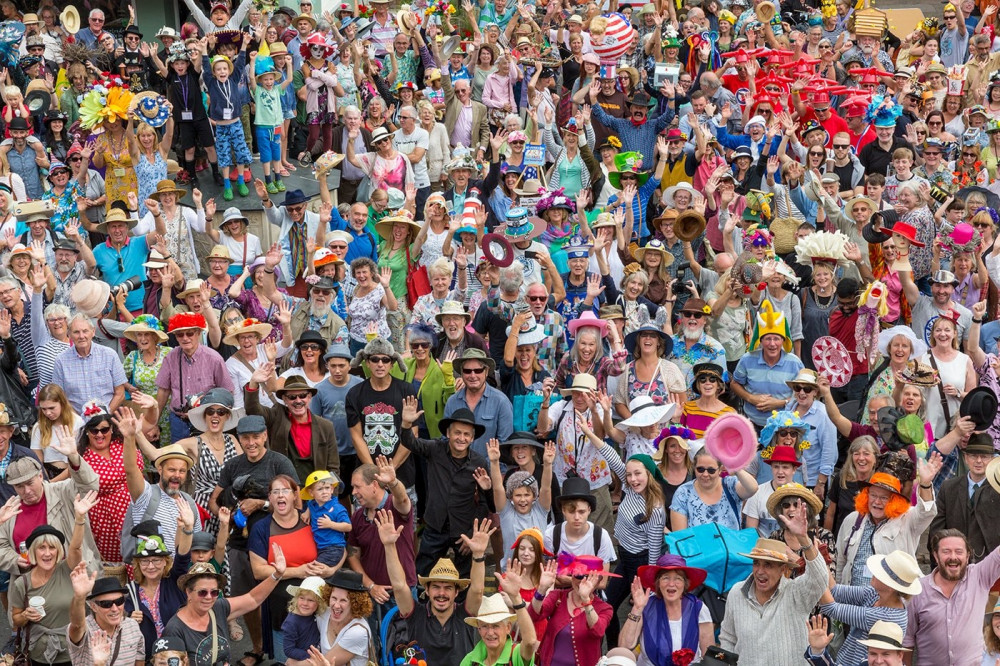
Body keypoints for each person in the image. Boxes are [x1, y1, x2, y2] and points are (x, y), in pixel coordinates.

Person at [208, 415, 299, 666]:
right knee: (248, 597)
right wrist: (225, 515)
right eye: (245, 438)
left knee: (283, 597)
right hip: (240, 542)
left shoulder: (279, 463)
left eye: (255, 437)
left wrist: (262, 503)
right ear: (239, 439)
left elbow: (298, 503)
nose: (251, 443)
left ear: (265, 436)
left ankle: (288, 651)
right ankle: (257, 649)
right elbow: (213, 501)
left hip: (277, 538)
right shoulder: (232, 466)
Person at [377, 510, 492, 666]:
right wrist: (389, 546)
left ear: (457, 591)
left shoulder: (465, 615)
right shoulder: (415, 614)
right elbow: (398, 586)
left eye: (448, 588)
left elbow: (477, 591)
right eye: (436, 587)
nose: (441, 593)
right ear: (427, 590)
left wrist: (478, 554)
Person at [719, 509, 828, 666]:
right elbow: (728, 637)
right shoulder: (737, 592)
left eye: (768, 565)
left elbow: (819, 579)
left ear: (783, 569)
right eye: (756, 563)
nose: (760, 571)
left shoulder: (796, 592)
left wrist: (804, 539)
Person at [249, 475, 335, 663]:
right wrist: (298, 571)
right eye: (275, 492)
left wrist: (332, 569)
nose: (280, 496)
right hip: (282, 612)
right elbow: (258, 570)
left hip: (318, 609)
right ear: (269, 498)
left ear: (295, 495)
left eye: (285, 490)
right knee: (287, 660)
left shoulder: (311, 517)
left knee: (320, 660)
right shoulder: (261, 528)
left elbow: (337, 545)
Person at [398, 399, 489, 577]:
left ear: (472, 438)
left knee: (464, 579)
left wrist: (472, 533)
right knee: (422, 573)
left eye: (466, 434)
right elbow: (411, 443)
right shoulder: (435, 449)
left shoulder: (479, 462)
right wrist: (406, 423)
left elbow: (485, 503)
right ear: (448, 433)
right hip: (435, 526)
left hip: (463, 530)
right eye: (457, 433)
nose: (461, 438)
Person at [0, 420, 102, 575]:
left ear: (41, 476)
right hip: (32, 582)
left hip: (73, 575)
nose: (26, 490)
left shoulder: (63, 491)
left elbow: (90, 486)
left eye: (30, 483)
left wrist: (74, 457)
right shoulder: (10, 509)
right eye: (19, 486)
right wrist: (14, 560)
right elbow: (1, 546)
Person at [161, 548, 289, 666]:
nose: (209, 597)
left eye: (214, 592)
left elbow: (253, 599)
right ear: (188, 592)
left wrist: (277, 575)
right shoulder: (175, 629)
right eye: (202, 592)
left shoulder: (218, 607)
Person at [10, 493, 97, 666]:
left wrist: (80, 518)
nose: (47, 553)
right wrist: (26, 615)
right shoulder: (22, 583)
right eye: (42, 548)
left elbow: (76, 546)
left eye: (52, 547)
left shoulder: (67, 569)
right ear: (33, 552)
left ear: (59, 551)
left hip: (73, 652)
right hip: (38, 654)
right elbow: (15, 620)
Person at [836, 460, 940, 586]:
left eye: (884, 497)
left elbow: (926, 512)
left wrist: (925, 484)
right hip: (852, 598)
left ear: (894, 501)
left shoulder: (907, 519)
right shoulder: (852, 519)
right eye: (873, 495)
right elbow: (841, 561)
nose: (877, 502)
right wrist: (838, 594)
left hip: (889, 601)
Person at [903, 529, 1000, 665]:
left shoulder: (980, 576)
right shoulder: (917, 589)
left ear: (967, 556)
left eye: (959, 552)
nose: (953, 557)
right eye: (946, 551)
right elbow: (907, 641)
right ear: (935, 556)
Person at [817, 550, 922, 666]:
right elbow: (835, 591)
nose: (873, 573)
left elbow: (830, 608)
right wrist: (815, 555)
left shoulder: (886, 615)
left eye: (880, 573)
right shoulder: (875, 594)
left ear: (890, 586)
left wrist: (815, 566)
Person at [244, 365, 339, 483]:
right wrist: (253, 383)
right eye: (292, 397)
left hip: (317, 491)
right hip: (284, 489)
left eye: (303, 396)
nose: (298, 401)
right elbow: (252, 410)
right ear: (284, 399)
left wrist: (329, 495)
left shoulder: (326, 426)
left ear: (309, 397)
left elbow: (333, 467)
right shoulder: (276, 416)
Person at [346, 458, 415, 615]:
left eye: (357, 487)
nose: (353, 492)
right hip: (371, 595)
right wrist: (370, 586)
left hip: (401, 593)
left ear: (375, 485)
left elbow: (403, 499)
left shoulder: (395, 506)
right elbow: (353, 556)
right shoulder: (357, 516)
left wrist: (393, 482)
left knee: (406, 640)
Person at [122, 515, 194, 662]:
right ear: (138, 564)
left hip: (177, 658)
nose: (150, 566)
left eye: (156, 560)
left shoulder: (174, 581)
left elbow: (183, 557)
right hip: (147, 660)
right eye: (145, 561)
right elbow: (121, 624)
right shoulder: (130, 591)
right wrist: (129, 619)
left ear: (165, 562)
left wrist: (187, 529)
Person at [621, 554, 714, 663]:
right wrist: (637, 608)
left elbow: (708, 656)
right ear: (658, 583)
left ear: (685, 583)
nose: (671, 584)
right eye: (665, 578)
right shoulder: (646, 605)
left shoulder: (698, 608)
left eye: (678, 579)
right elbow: (625, 645)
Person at [529, 555, 614, 666]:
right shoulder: (558, 596)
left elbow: (598, 631)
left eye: (589, 577)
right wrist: (542, 589)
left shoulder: (604, 608)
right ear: (572, 576)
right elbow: (533, 615)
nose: (583, 582)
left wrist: (586, 600)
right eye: (579, 575)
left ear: (598, 581)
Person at [928, 433, 999, 562]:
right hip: (953, 564)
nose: (978, 461)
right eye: (973, 455)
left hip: (990, 566)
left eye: (984, 456)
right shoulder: (948, 487)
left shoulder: (998, 489)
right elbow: (936, 530)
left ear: (992, 459)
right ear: (965, 458)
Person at [51, 313, 128, 414]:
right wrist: (79, 421)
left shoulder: (110, 355)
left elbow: (120, 394)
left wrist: (103, 416)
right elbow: (60, 397)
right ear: (69, 335)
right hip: (77, 422)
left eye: (85, 331)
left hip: (107, 421)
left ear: (93, 332)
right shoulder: (61, 361)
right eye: (76, 332)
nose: (81, 336)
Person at [68, 572, 146, 666]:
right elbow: (77, 625)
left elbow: (139, 662)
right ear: (93, 606)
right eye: (106, 604)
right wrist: (79, 597)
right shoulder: (85, 630)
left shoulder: (132, 626)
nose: (114, 609)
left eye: (119, 601)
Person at [315, 569, 375, 665]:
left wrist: (293, 663)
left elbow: (324, 663)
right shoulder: (323, 614)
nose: (336, 605)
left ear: (355, 603)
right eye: (334, 598)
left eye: (343, 600)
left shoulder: (358, 632)